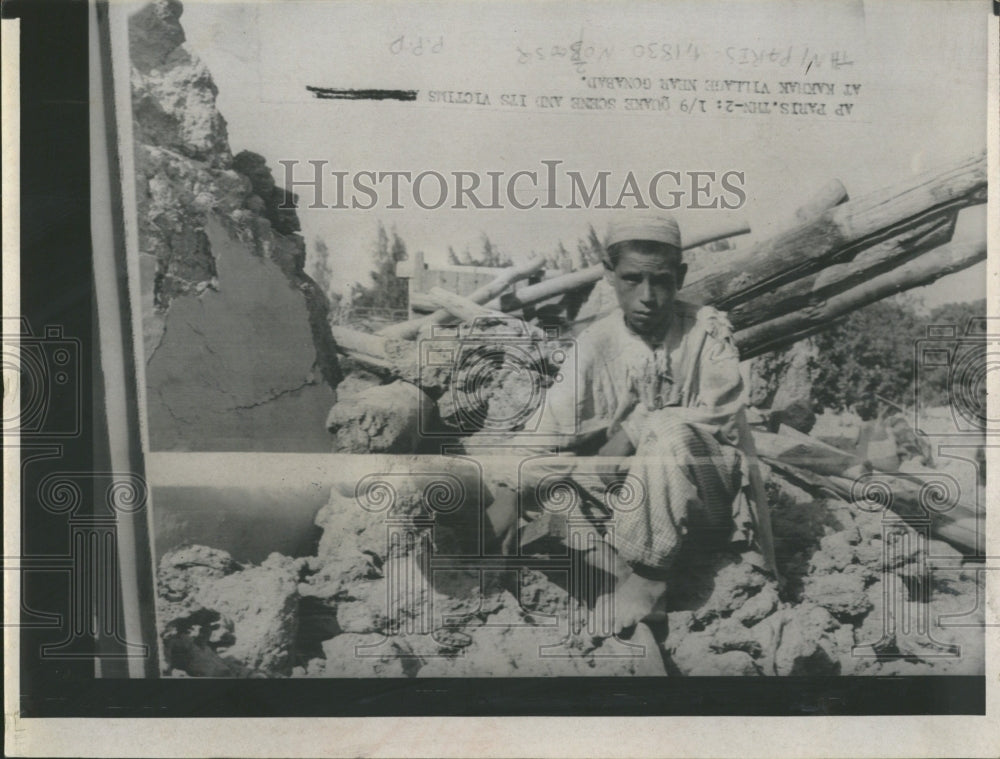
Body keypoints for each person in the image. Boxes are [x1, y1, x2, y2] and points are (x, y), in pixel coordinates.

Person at [486, 212, 758, 636]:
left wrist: (634, 430)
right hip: (628, 504)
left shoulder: (706, 331)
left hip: (704, 502)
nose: (647, 296)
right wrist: (509, 489)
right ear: (609, 276)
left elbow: (718, 416)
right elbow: (546, 429)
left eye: (662, 280)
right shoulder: (597, 342)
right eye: (632, 279)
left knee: (669, 432)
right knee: (539, 480)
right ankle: (620, 574)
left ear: (680, 277)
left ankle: (649, 580)